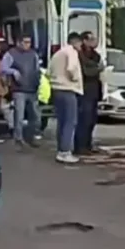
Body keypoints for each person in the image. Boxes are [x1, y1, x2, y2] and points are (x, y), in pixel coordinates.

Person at [0, 34, 42, 148]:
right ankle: (19, 138)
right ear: (18, 42)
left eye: (29, 42)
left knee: (35, 116)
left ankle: (31, 137)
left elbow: (37, 69)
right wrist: (13, 71)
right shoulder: (11, 54)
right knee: (19, 115)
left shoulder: (33, 54)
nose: (28, 45)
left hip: (32, 89)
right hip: (19, 89)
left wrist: (38, 82)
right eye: (25, 42)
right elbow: (2, 68)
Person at [48, 32, 84, 164]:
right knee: (70, 121)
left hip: (56, 89)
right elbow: (71, 68)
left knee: (62, 122)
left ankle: (60, 149)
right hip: (68, 89)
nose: (81, 46)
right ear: (75, 42)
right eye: (80, 43)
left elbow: (48, 71)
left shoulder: (57, 53)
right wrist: (75, 79)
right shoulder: (71, 52)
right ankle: (65, 152)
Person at [75, 31, 104, 156]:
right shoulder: (79, 55)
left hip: (94, 91)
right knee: (84, 119)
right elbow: (85, 71)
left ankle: (88, 144)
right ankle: (80, 146)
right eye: (91, 39)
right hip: (84, 90)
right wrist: (97, 69)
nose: (94, 42)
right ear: (85, 41)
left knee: (92, 119)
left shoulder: (95, 55)